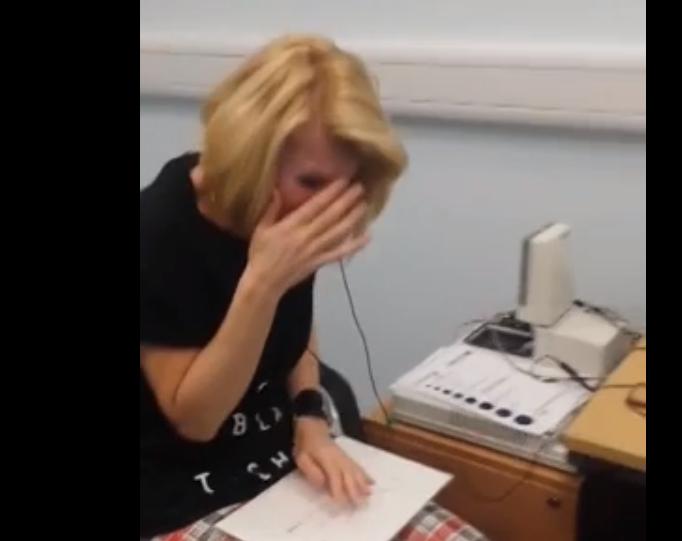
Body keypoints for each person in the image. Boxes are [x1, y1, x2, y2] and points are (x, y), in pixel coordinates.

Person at [140, 34, 488, 541]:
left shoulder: (284, 208)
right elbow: (196, 420)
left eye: (344, 187)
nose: (326, 209)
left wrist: (310, 417)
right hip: (182, 496)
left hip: (283, 463)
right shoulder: (159, 233)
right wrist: (262, 283)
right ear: (251, 158)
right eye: (311, 183)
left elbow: (294, 330)